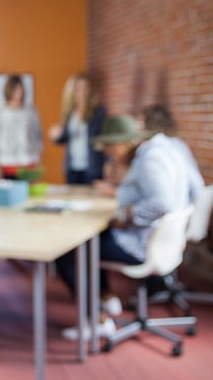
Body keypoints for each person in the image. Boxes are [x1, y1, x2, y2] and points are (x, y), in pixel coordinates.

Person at [55, 115, 193, 340]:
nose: (109, 152)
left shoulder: (150, 160)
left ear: (124, 142)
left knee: (68, 252)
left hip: (140, 244)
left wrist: (128, 216)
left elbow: (162, 202)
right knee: (94, 238)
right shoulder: (157, 152)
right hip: (156, 240)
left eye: (110, 147)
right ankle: (105, 299)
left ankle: (96, 321)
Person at [48, 73, 106, 184]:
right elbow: (65, 138)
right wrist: (56, 136)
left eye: (86, 87)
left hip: (92, 167)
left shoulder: (98, 111)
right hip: (72, 167)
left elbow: (102, 137)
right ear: (72, 90)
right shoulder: (68, 112)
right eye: (79, 88)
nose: (82, 91)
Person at [140, 104, 205, 202]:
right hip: (186, 208)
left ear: (150, 125)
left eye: (140, 124)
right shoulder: (178, 144)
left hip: (178, 209)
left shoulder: (158, 150)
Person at [0, 75, 43, 180]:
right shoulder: (0, 112)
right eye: (15, 89)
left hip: (28, 161)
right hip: (7, 162)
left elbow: (38, 138)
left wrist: (39, 163)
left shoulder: (30, 111)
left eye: (20, 89)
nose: (18, 92)